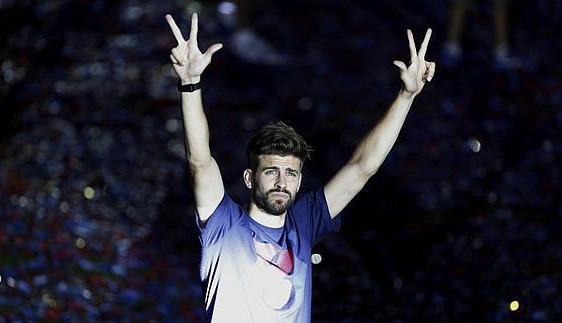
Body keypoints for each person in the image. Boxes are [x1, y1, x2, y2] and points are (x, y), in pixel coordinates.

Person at [165, 12, 435, 323]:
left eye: (290, 173)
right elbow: (200, 161)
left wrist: (406, 96)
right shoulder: (223, 224)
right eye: (271, 171)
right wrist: (189, 83)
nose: (282, 181)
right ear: (249, 178)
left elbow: (362, 167)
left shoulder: (303, 222)